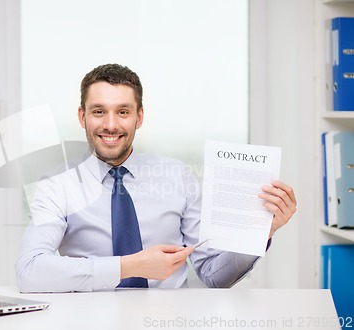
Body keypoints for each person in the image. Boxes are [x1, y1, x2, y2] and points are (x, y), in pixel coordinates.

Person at [15, 63, 297, 292]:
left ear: (139, 117)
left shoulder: (178, 177)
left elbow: (214, 275)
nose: (110, 125)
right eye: (99, 112)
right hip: (91, 321)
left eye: (123, 112)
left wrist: (261, 231)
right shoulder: (57, 184)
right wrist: (129, 266)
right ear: (82, 116)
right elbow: (30, 271)